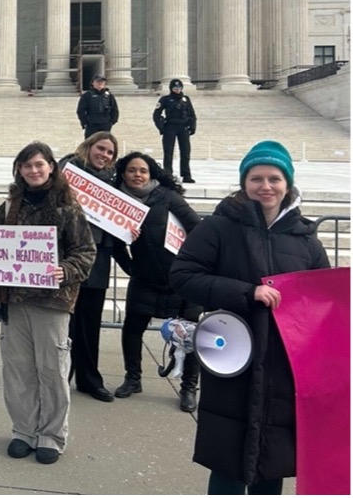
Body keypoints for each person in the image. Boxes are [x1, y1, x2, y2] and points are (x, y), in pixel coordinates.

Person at [170, 141, 330, 495]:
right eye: (256, 178)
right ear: (244, 182)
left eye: (275, 178)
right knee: (228, 462)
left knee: (270, 462)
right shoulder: (218, 228)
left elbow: (320, 302)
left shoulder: (305, 239)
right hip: (233, 358)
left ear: (288, 184)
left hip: (282, 365)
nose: (266, 186)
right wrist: (246, 292)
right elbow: (183, 276)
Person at [0, 142, 95, 465]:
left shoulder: (68, 207)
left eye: (39, 164)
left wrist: (66, 270)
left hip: (53, 301)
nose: (33, 171)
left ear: (51, 166)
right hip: (15, 301)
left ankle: (51, 434)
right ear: (19, 170)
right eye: (26, 166)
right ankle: (23, 430)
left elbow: (86, 253)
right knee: (18, 371)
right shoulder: (9, 207)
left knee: (51, 370)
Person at [111, 153, 201, 411]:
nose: (137, 175)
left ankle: (188, 387)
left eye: (143, 170)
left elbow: (196, 228)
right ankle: (133, 378)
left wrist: (189, 264)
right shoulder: (118, 203)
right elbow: (115, 245)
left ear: (151, 174)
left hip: (180, 279)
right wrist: (131, 267)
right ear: (124, 174)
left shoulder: (168, 197)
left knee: (191, 335)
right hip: (144, 279)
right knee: (132, 329)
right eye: (132, 170)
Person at [59, 132, 130, 403]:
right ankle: (61, 376)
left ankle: (89, 380)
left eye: (110, 152)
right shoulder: (66, 171)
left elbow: (121, 217)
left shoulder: (113, 182)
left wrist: (127, 230)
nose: (105, 155)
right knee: (63, 324)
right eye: (101, 148)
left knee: (89, 324)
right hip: (67, 257)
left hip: (98, 259)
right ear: (89, 147)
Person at [154, 78, 197, 183]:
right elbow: (156, 114)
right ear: (171, 88)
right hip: (170, 126)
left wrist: (192, 126)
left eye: (179, 87)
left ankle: (186, 175)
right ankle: (168, 174)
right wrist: (162, 127)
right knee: (168, 152)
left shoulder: (186, 99)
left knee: (185, 151)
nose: (177, 90)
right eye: (175, 87)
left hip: (183, 127)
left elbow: (192, 114)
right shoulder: (165, 99)